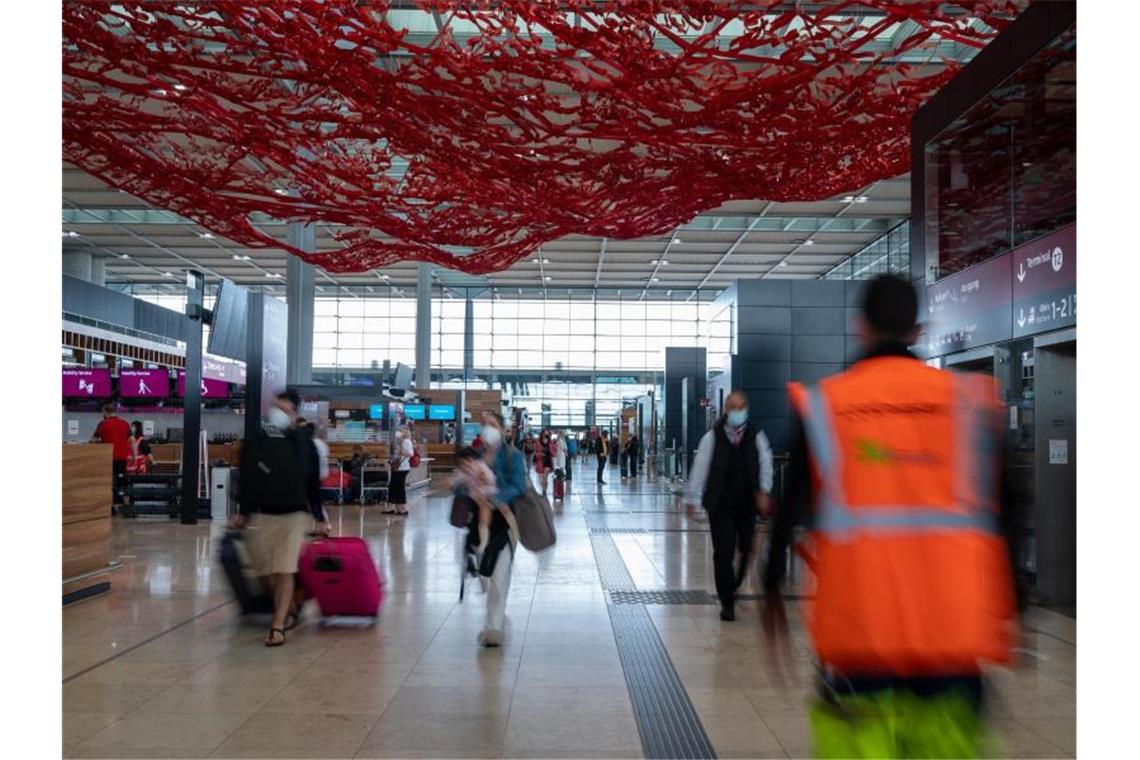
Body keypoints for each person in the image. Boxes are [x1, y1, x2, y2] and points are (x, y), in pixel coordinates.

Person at [760, 274, 1024, 758]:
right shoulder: (967, 403)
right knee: (947, 746)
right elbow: (1004, 512)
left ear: (860, 327)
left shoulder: (826, 404)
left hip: (861, 624)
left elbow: (789, 505)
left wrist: (772, 580)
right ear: (918, 331)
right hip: (952, 626)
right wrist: (1015, 604)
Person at [233, 389, 325, 647]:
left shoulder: (303, 442)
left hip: (295, 515)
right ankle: (289, 608)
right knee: (265, 572)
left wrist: (318, 515)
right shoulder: (257, 439)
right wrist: (243, 512)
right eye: (276, 408)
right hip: (263, 513)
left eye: (284, 410)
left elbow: (312, 481)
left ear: (294, 413)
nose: (278, 414)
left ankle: (278, 625)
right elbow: (247, 476)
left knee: (284, 569)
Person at [685, 392, 773, 621]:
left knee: (745, 547)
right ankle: (727, 602)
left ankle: (735, 582)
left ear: (747, 408)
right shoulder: (712, 437)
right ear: (726, 409)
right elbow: (700, 467)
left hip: (746, 502)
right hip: (720, 503)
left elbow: (765, 462)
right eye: (733, 407)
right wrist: (692, 498)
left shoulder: (756, 435)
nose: (737, 412)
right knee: (722, 553)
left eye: (741, 407)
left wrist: (764, 490)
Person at [472, 411, 525, 647]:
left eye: (492, 425)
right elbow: (466, 485)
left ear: (503, 430)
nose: (487, 429)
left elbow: (519, 485)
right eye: (484, 424)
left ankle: (493, 628)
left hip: (505, 521)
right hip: (480, 522)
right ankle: (497, 615)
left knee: (499, 576)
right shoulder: (477, 455)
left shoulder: (512, 456)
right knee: (484, 573)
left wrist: (495, 498)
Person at [451, 446, 496, 556]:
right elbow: (457, 482)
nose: (466, 465)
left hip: (486, 494)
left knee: (484, 508)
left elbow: (491, 479)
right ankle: (479, 540)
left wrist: (484, 479)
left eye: (468, 461)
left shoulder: (480, 466)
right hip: (473, 496)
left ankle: (484, 540)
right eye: (462, 463)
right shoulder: (464, 470)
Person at [92, 404, 132, 513]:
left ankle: (111, 507)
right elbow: (132, 440)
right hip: (122, 458)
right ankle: (127, 505)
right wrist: (133, 455)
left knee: (109, 483)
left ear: (105, 412)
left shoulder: (103, 424)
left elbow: (93, 440)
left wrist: (101, 442)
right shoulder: (125, 424)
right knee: (123, 482)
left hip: (107, 458)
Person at [386, 426, 414, 517]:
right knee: (394, 487)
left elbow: (410, 453)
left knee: (399, 488)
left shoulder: (406, 441)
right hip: (399, 468)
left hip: (402, 468)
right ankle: (396, 508)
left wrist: (400, 452)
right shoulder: (402, 441)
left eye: (400, 431)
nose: (398, 432)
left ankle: (403, 508)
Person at [533, 429, 555, 497]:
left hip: (548, 461)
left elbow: (554, 452)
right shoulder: (538, 442)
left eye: (547, 434)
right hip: (541, 461)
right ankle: (543, 489)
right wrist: (540, 454)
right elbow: (535, 453)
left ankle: (544, 491)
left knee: (545, 477)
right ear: (542, 434)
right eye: (545, 433)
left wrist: (553, 450)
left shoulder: (550, 442)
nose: (546, 435)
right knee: (542, 479)